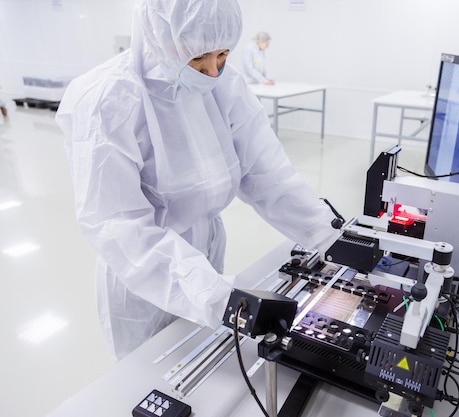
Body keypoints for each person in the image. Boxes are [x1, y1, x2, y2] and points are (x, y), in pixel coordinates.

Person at [55, 0, 338, 360]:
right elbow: (117, 223)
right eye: (197, 57)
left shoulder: (226, 85)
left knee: (201, 359)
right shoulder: (108, 98)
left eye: (222, 54)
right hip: (142, 275)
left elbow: (268, 175)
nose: (211, 72)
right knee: (150, 376)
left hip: (204, 260)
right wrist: (217, 297)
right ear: (158, 36)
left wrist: (330, 236)